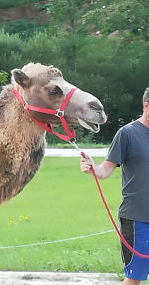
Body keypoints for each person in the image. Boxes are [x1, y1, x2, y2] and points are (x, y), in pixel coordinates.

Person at [80, 87, 149, 285]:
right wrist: (92, 168)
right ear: (146, 106)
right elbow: (105, 170)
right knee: (135, 277)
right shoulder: (127, 134)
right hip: (137, 219)